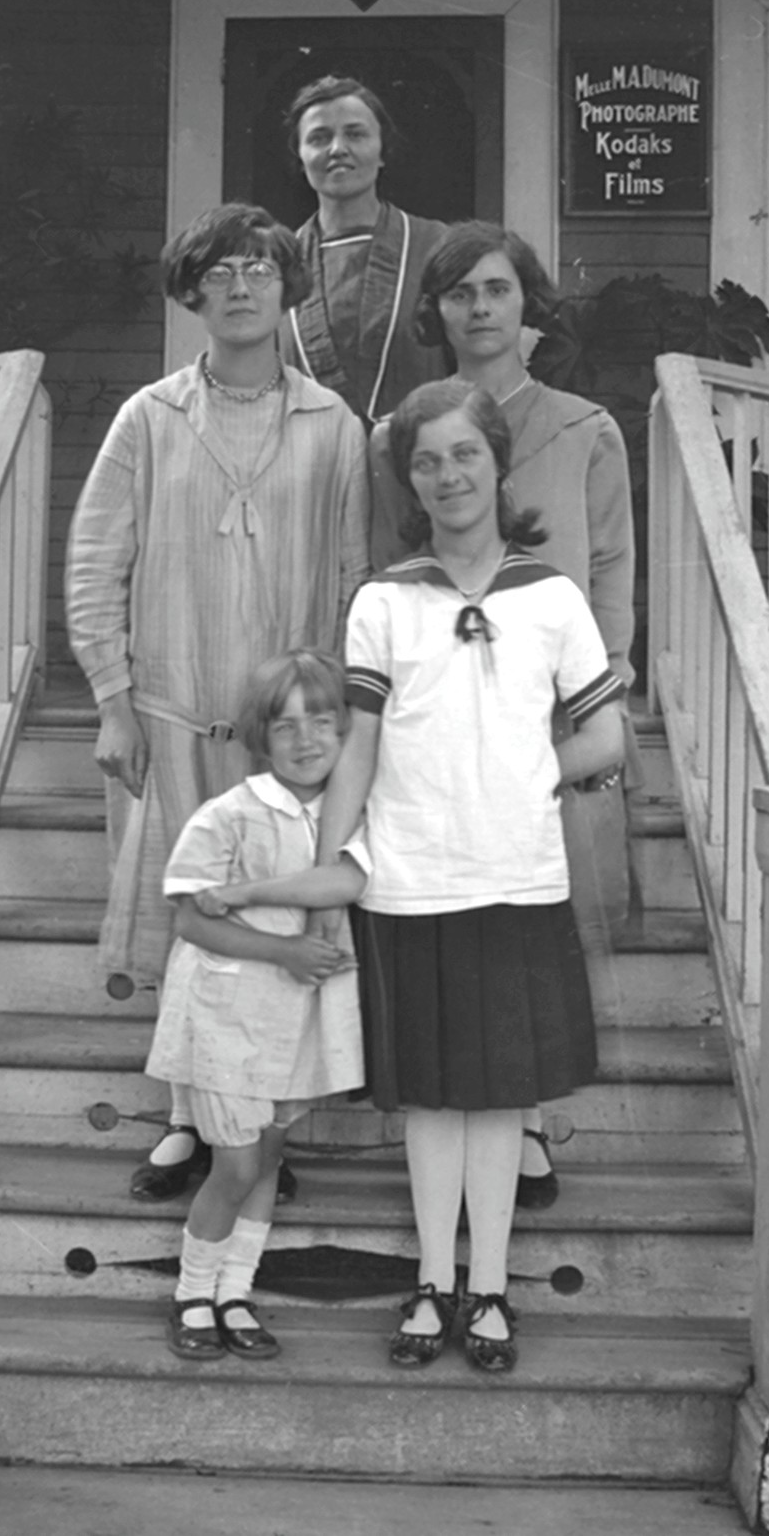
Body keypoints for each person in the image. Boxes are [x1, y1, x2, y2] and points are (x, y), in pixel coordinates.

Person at [304, 380, 624, 1373]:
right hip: (408, 881)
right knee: (432, 1098)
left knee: (496, 1098)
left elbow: (605, 734)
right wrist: (326, 866)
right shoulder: (383, 599)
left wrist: (526, 774)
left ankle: (487, 1289)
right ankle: (428, 1284)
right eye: (426, 461)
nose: (447, 475)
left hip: (518, 880)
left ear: (496, 463)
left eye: (464, 455)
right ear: (409, 480)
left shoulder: (550, 596)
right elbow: (356, 747)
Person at [65, 203, 369, 1203]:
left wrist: (329, 725)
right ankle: (189, 1121)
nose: (241, 285)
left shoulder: (335, 425)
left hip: (284, 737)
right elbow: (94, 558)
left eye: (261, 268)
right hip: (170, 712)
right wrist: (112, 698)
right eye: (220, 271)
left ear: (288, 288)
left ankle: (264, 1135)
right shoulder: (149, 418)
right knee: (188, 920)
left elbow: (355, 576)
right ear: (193, 291)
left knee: (277, 928)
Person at [369, 220, 637, 1208]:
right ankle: (452, 1118)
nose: (479, 308)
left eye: (496, 289)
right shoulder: (400, 435)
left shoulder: (583, 428)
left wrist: (599, 695)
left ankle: (521, 1121)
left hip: (553, 705)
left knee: (532, 922)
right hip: (440, 715)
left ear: (527, 304)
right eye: (457, 293)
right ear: (434, 313)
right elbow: (380, 569)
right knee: (456, 919)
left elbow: (608, 567)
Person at [146, 649, 364, 1362]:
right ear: (260, 736)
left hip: (293, 1022)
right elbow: (191, 919)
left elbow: (345, 884)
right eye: (287, 725)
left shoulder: (353, 814)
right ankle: (192, 1293)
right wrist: (287, 952)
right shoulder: (232, 814)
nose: (307, 740)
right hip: (225, 1014)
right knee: (235, 1165)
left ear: (345, 731)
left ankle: (236, 1291)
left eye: (323, 722)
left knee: (269, 1157)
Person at [277, 74, 448, 426]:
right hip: (311, 467)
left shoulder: (436, 245)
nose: (337, 148)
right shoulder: (277, 260)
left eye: (355, 134)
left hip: (419, 463)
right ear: (301, 156)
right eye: (319, 138)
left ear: (383, 151)